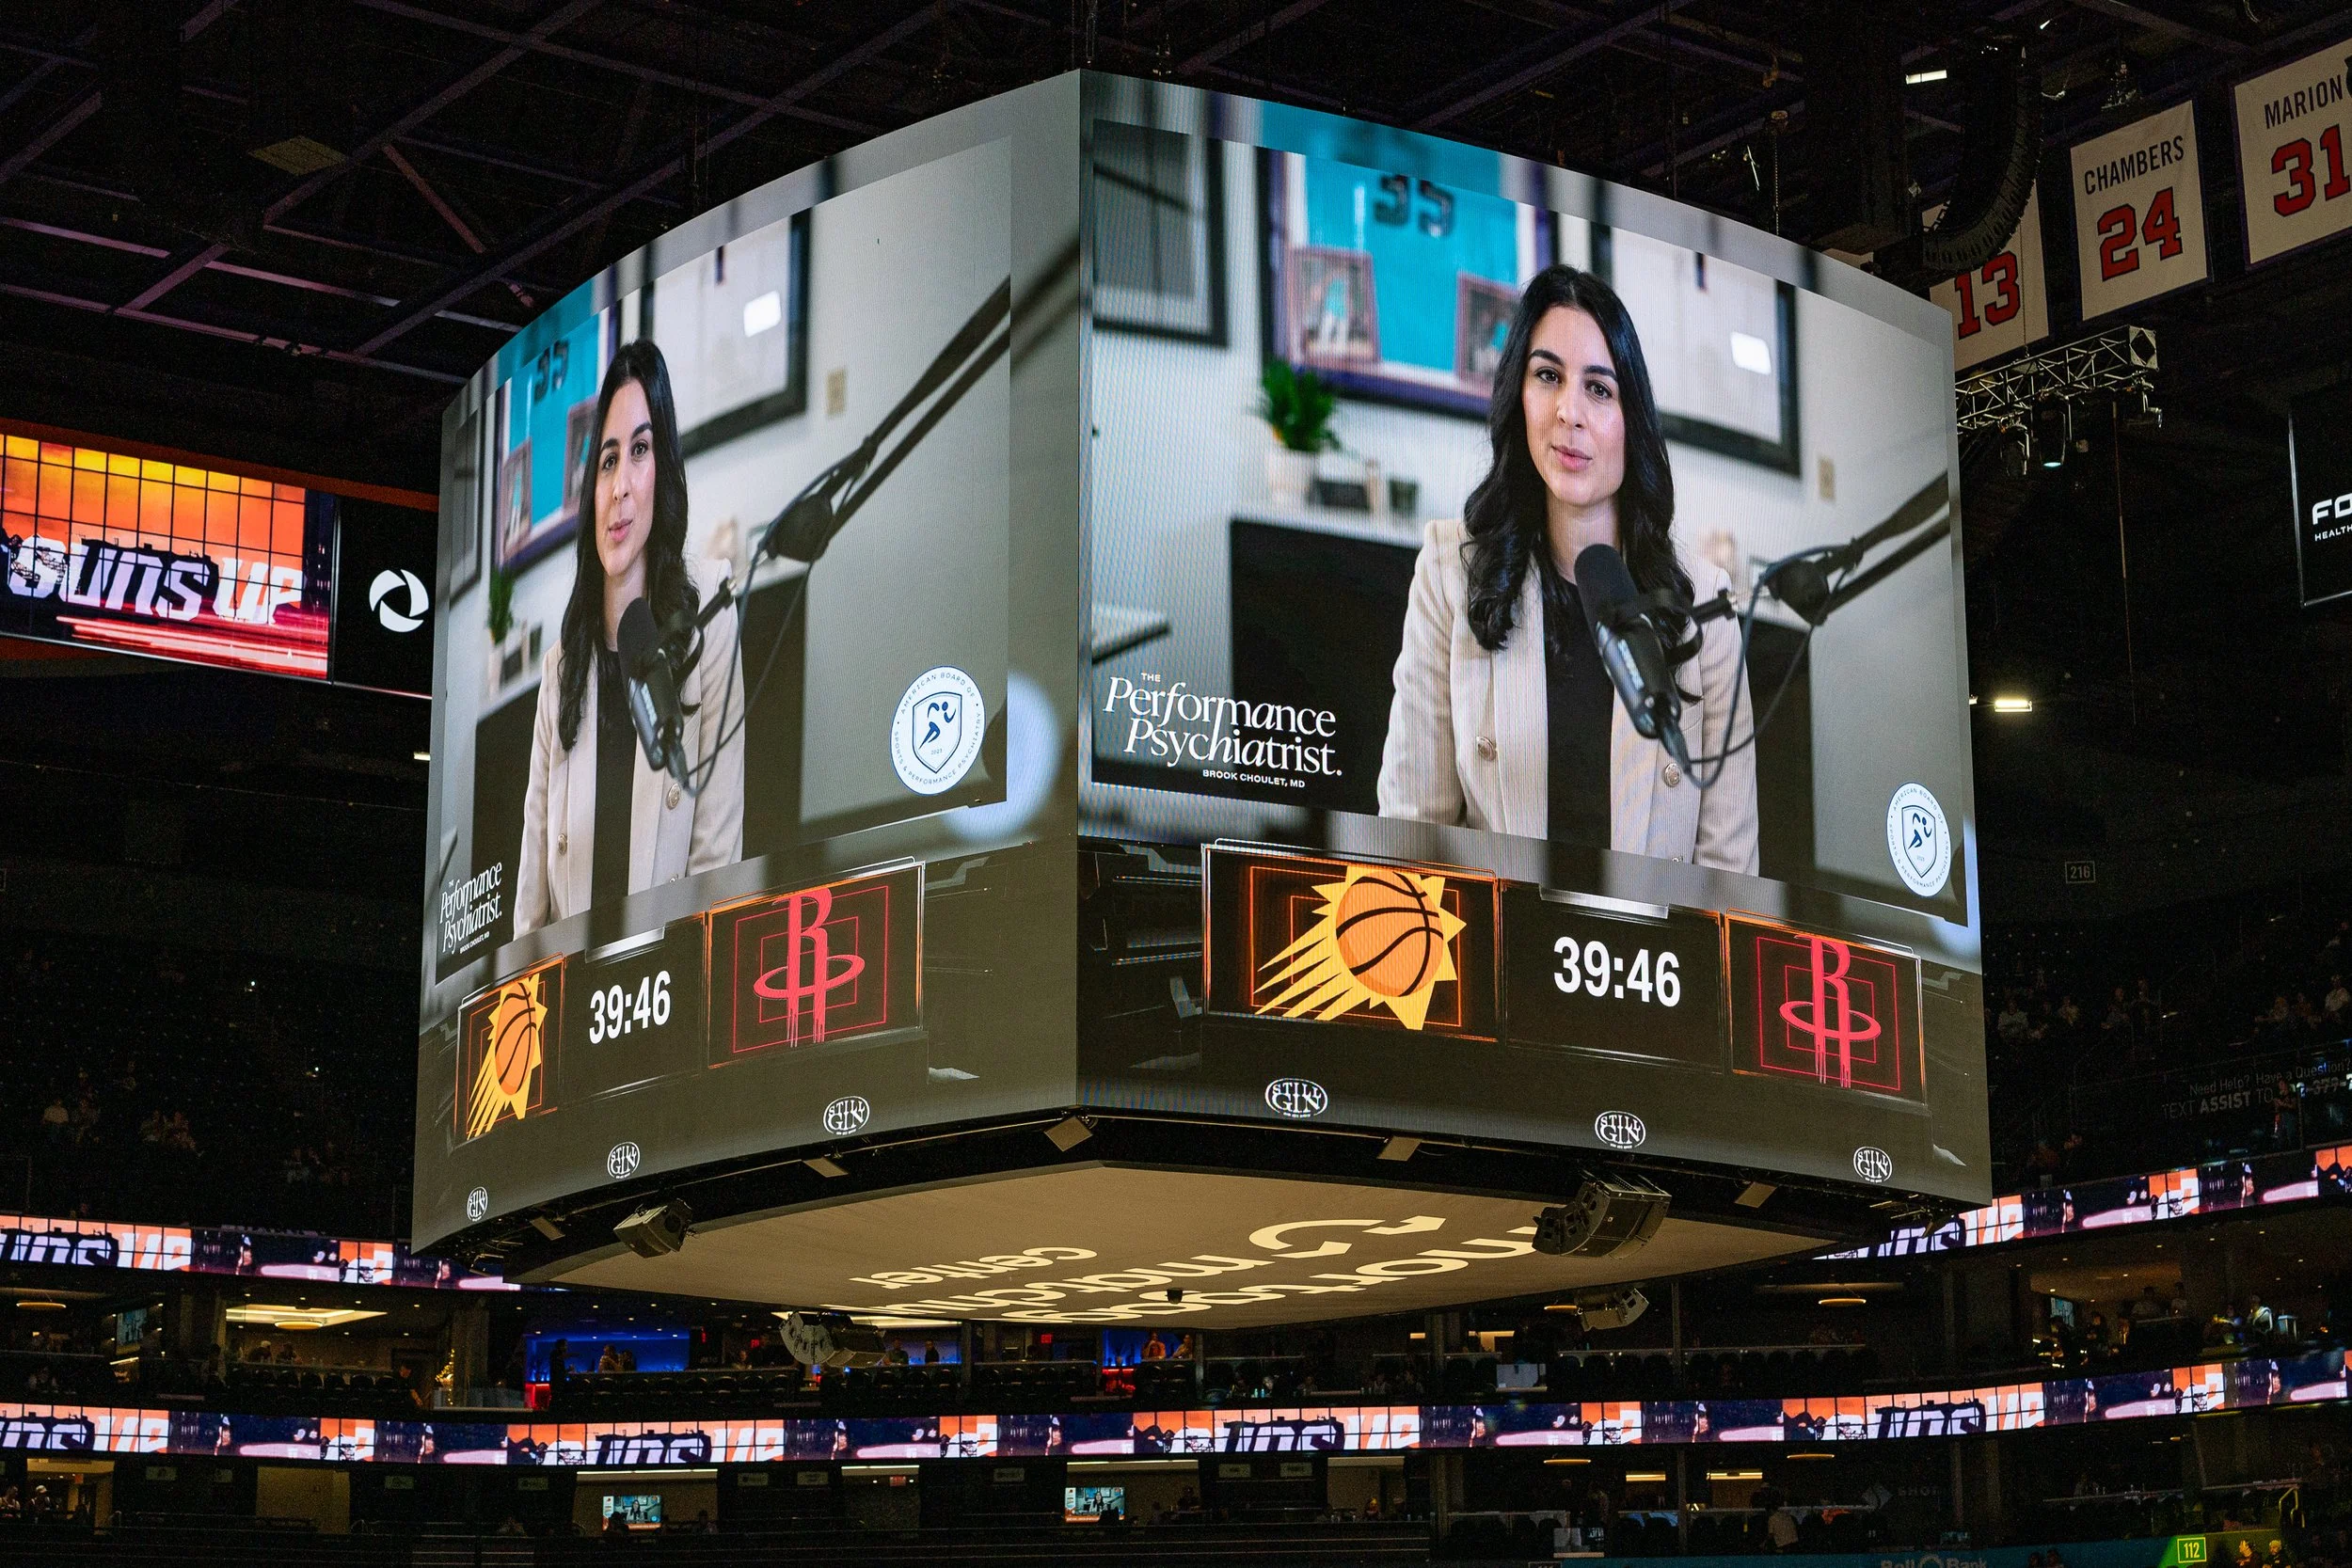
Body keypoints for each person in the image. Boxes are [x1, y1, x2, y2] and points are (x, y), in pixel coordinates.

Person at [1378, 265, 1757, 871]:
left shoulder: (1704, 605)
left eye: (1599, 389)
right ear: (1517, 395)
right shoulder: (1449, 576)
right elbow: (1411, 841)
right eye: (1548, 376)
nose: (1568, 411)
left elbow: (1728, 880)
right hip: (1493, 950)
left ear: (1632, 422)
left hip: (1649, 963)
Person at [515, 339, 745, 938]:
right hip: (569, 1011)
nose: (619, 487)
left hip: (669, 1002)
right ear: (591, 487)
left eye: (639, 451)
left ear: (661, 469)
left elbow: (716, 871)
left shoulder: (709, 629)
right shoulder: (561, 668)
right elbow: (530, 914)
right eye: (608, 460)